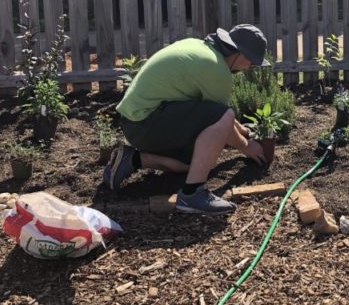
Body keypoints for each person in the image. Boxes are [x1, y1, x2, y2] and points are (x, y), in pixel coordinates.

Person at [103, 24, 270, 214]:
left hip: (136, 122)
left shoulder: (199, 48)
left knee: (193, 164)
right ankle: (192, 194)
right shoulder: (216, 69)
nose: (249, 68)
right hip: (146, 124)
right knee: (225, 117)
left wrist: (243, 131)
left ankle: (132, 159)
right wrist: (247, 147)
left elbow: (215, 112)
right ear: (241, 55)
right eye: (251, 62)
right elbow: (222, 117)